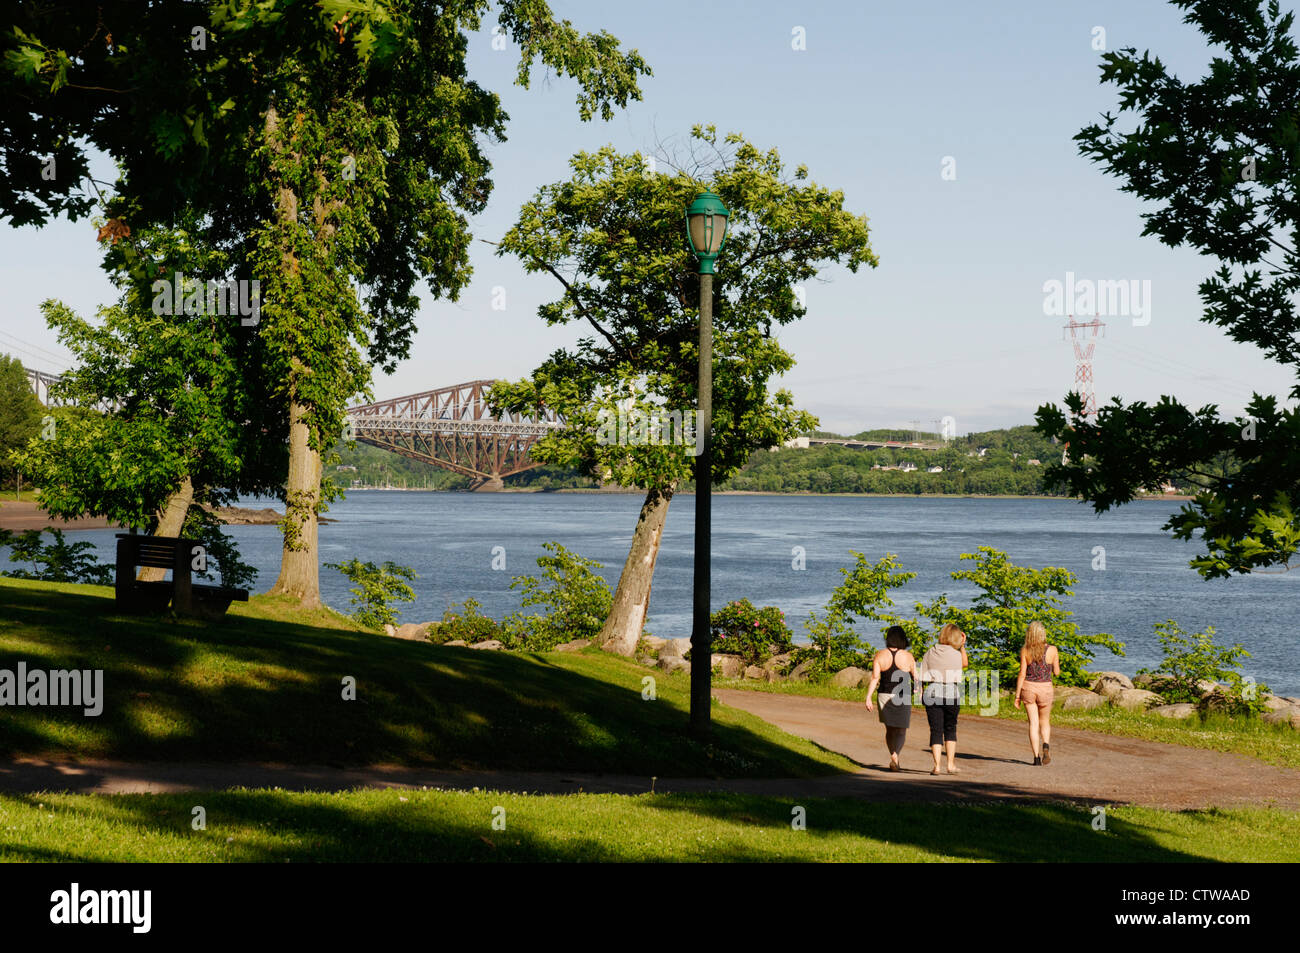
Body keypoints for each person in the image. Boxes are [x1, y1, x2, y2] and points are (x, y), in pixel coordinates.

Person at [864, 626, 917, 772]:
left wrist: (868, 697)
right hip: (903, 697)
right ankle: (896, 756)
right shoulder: (908, 656)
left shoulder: (880, 655)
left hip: (884, 695)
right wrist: (918, 690)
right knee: (901, 730)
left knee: (890, 730)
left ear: (888, 638)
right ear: (903, 639)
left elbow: (875, 678)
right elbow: (916, 678)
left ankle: (893, 754)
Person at [919, 623, 968, 775]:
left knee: (936, 730)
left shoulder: (930, 652)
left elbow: (921, 675)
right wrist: (962, 646)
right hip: (951, 694)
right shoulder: (956, 654)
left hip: (933, 692)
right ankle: (951, 765)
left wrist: (920, 692)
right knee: (950, 729)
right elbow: (965, 664)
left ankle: (937, 766)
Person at [1014, 620, 1060, 765]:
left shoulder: (1025, 650)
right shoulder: (1052, 650)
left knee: (1033, 723)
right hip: (1045, 688)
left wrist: (1017, 696)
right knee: (1044, 721)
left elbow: (1022, 673)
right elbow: (1057, 673)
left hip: (1029, 688)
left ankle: (1036, 758)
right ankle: (1046, 745)